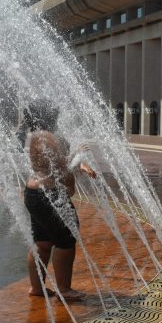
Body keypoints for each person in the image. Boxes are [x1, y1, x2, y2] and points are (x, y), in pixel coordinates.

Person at [23, 99, 96, 301]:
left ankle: (37, 288)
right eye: (55, 113)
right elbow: (60, 166)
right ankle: (64, 289)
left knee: (43, 242)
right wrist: (78, 155)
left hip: (35, 193)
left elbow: (53, 164)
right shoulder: (46, 137)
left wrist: (81, 165)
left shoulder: (36, 136)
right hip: (49, 195)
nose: (58, 116)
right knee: (66, 239)